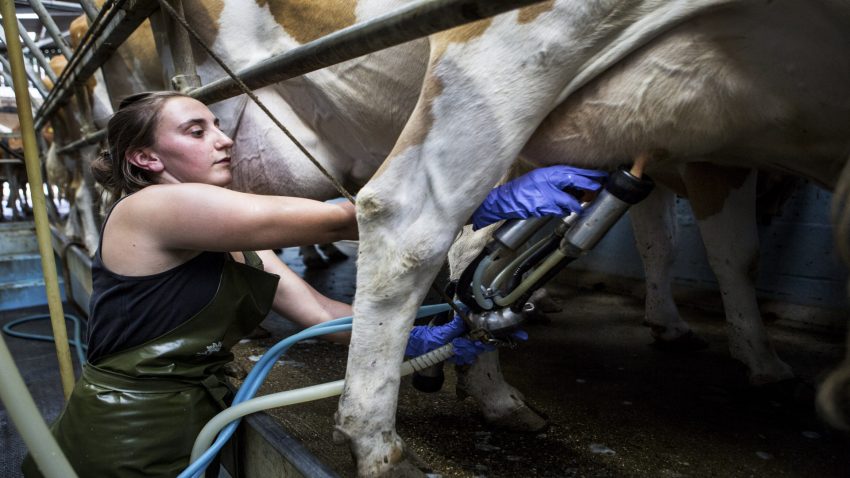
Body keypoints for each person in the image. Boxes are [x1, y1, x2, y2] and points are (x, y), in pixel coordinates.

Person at [22, 91, 605, 477]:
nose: (223, 138)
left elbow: (323, 315)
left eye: (218, 126)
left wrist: (433, 340)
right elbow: (338, 218)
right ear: (146, 158)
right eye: (197, 131)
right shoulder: (152, 209)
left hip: (195, 416)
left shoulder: (231, 235)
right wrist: (481, 199)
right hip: (127, 430)